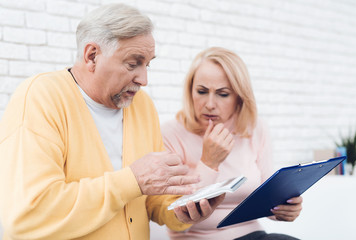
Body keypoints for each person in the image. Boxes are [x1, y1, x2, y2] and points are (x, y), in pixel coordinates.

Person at [0, 4, 225, 240]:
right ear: (92, 56)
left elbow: (152, 201)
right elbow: (28, 216)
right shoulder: (41, 97)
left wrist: (183, 212)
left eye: (147, 64)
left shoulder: (143, 106)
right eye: (133, 63)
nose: (144, 79)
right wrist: (132, 180)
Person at [161, 47, 303, 240]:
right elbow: (178, 223)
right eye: (202, 91)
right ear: (190, 91)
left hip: (252, 234)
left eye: (223, 94)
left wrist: (282, 210)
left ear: (239, 97)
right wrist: (209, 162)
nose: (210, 104)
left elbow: (268, 198)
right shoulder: (171, 133)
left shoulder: (255, 129)